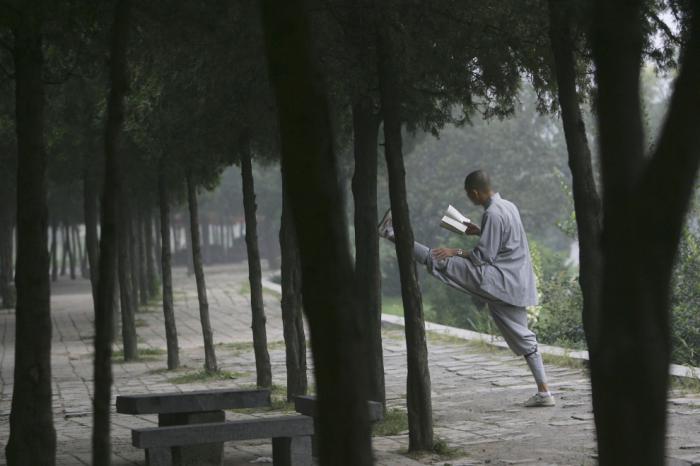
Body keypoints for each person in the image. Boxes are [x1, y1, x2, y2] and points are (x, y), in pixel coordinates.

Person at [378, 169, 555, 407]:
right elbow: (506, 239)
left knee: (439, 259)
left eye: (469, 196)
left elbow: (483, 257)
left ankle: (389, 233)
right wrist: (479, 231)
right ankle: (545, 392)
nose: (470, 200)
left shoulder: (492, 213)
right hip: (516, 282)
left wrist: (455, 251)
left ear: (475, 193)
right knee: (526, 338)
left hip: (496, 280)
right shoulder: (509, 206)